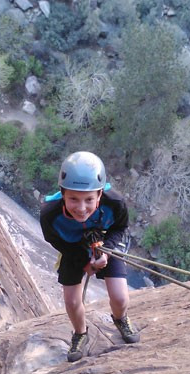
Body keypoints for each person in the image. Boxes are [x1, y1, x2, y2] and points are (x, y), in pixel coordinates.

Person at [40, 151, 140, 362]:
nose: (82, 208)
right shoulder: (50, 214)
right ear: (62, 193)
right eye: (73, 199)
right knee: (72, 301)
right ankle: (80, 333)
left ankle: (120, 319)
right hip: (72, 249)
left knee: (120, 297)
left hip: (105, 244)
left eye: (89, 199)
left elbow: (120, 228)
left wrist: (107, 251)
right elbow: (56, 241)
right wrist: (84, 262)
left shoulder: (115, 203)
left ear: (100, 195)